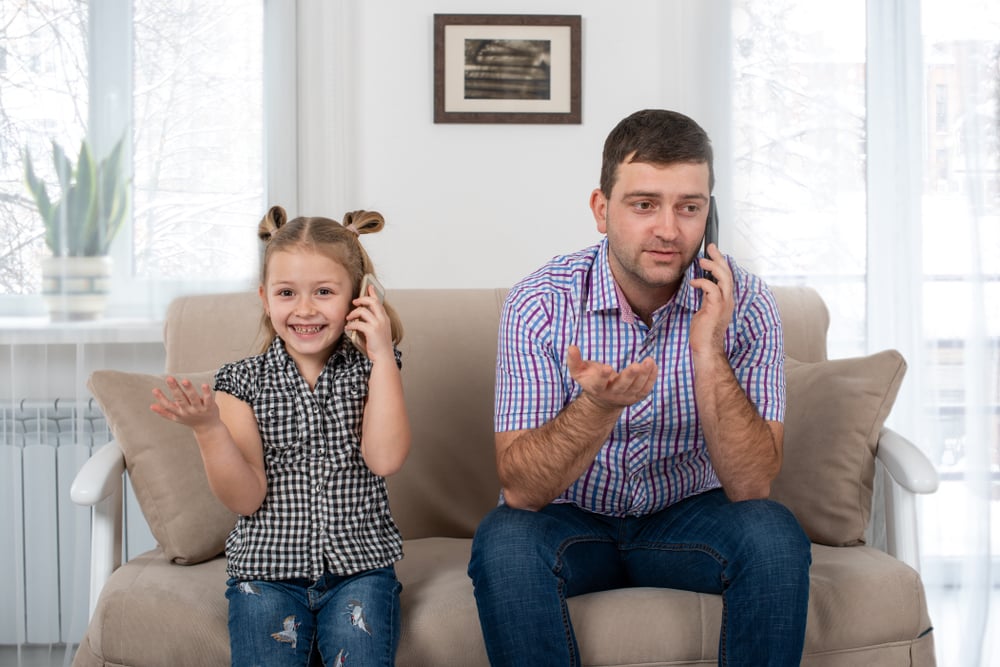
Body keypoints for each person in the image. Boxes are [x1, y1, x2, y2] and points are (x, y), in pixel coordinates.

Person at [468, 109, 811, 666]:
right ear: (602, 210)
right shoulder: (539, 302)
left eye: (689, 207)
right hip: (571, 518)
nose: (669, 230)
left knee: (773, 533)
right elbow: (523, 492)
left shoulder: (745, 303)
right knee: (504, 538)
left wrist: (707, 347)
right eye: (644, 204)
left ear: (710, 216)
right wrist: (598, 407)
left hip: (688, 516)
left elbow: (751, 485)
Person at [151, 205, 410, 666]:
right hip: (265, 575)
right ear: (265, 299)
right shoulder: (241, 381)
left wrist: (383, 354)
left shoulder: (375, 370)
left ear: (361, 295)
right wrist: (208, 429)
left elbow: (385, 458)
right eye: (287, 292)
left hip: (360, 573)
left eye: (325, 292)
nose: (305, 309)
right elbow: (246, 498)